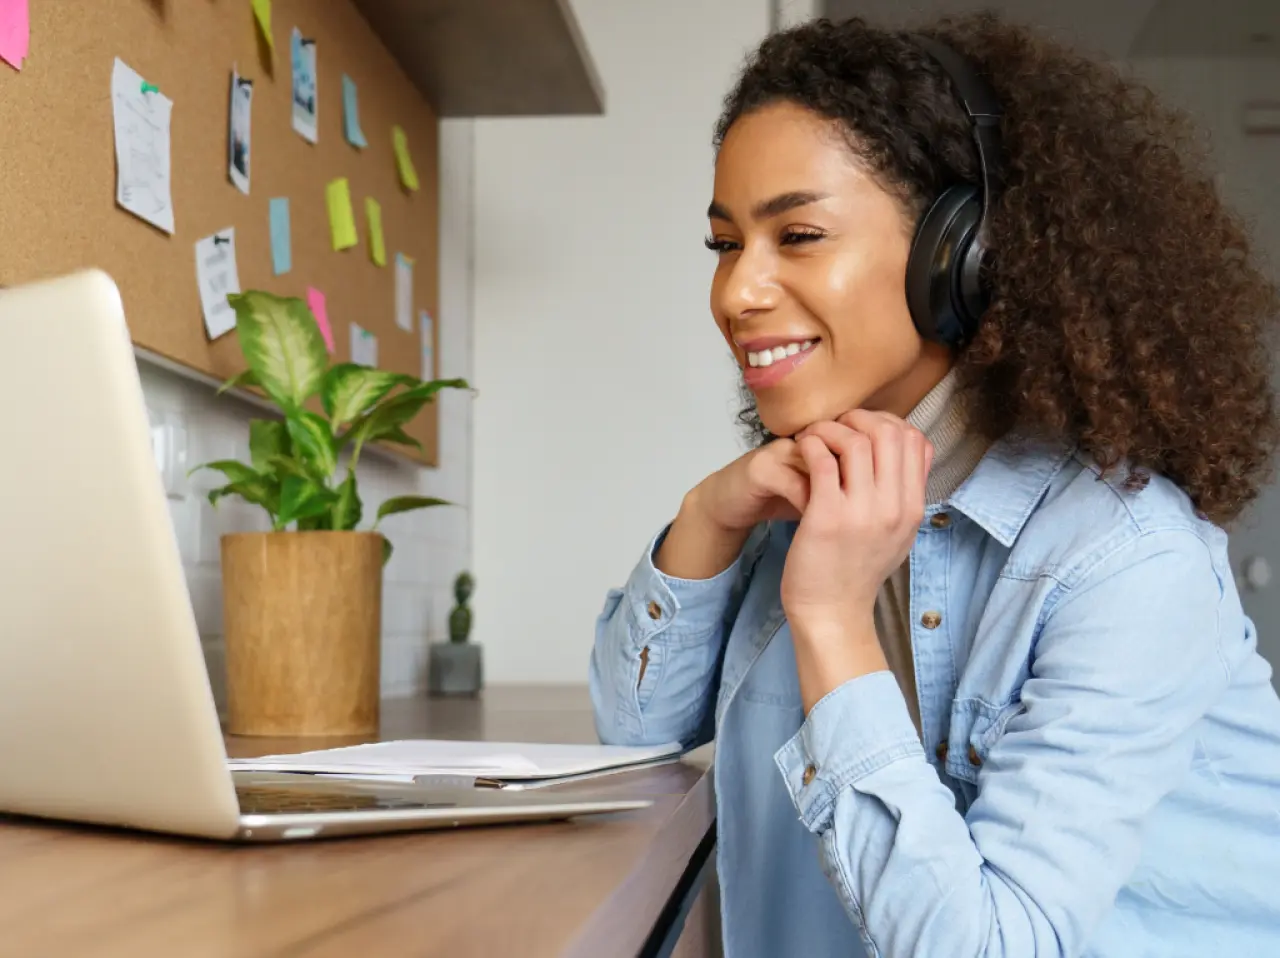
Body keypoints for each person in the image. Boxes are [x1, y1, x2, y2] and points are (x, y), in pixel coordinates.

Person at [589, 13, 1280, 958]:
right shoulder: (807, 495)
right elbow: (633, 733)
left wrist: (830, 621)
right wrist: (708, 516)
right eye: (723, 245)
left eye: (797, 234)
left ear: (960, 255)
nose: (736, 293)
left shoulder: (1125, 562)